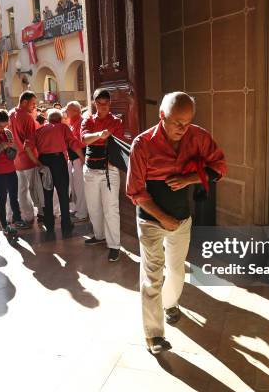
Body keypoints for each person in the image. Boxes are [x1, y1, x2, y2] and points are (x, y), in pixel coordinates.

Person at [126, 91, 226, 354]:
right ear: (162, 116)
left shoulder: (198, 136)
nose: (183, 128)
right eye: (177, 122)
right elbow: (135, 191)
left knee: (178, 271)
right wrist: (162, 218)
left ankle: (170, 304)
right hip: (150, 220)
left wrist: (190, 179)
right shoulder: (142, 143)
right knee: (151, 276)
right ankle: (154, 336)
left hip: (182, 218)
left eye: (188, 121)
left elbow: (219, 167)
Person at [81, 89, 125, 261]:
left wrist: (102, 140)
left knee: (111, 209)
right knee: (93, 207)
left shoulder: (116, 121)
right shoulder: (88, 120)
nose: (103, 106)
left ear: (110, 103)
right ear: (94, 103)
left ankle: (114, 245)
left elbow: (119, 142)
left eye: (106, 103)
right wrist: (100, 135)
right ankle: (99, 236)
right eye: (100, 103)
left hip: (109, 170)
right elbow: (84, 139)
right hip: (91, 170)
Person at [33, 109, 84, 233]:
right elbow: (73, 143)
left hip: (43, 161)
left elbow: (28, 147)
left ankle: (49, 223)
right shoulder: (63, 127)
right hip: (58, 161)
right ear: (60, 119)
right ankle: (66, 224)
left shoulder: (39, 130)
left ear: (48, 120)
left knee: (47, 194)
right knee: (62, 193)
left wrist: (37, 163)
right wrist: (83, 158)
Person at [0, 110, 31, 234]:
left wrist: (12, 146)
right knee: (2, 199)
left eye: (5, 126)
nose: (3, 129)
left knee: (14, 197)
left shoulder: (7, 132)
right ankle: (5, 225)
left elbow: (14, 150)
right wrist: (1, 146)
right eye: (0, 126)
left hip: (10, 169)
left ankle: (17, 219)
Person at [9, 91, 42, 222]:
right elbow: (30, 141)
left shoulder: (10, 114)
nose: (34, 106)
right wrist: (37, 160)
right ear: (24, 102)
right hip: (29, 159)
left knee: (22, 190)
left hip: (16, 160)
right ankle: (41, 212)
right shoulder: (27, 117)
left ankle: (27, 216)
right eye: (33, 103)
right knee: (35, 188)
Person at [65, 101, 88, 221]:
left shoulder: (81, 122)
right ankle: (78, 209)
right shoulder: (72, 123)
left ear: (75, 111)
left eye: (68, 109)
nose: (66, 111)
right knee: (74, 187)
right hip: (74, 159)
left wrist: (83, 160)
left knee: (80, 187)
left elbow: (78, 144)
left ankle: (82, 213)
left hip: (79, 159)